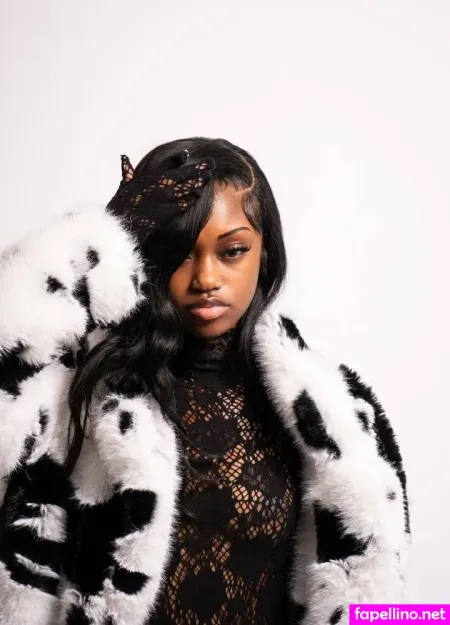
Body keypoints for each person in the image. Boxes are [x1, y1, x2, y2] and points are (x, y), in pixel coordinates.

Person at [0, 137, 410, 625]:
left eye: (232, 251)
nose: (206, 278)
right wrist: (106, 239)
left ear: (264, 253)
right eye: (179, 253)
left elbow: (381, 606)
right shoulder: (76, 391)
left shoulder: (337, 413)